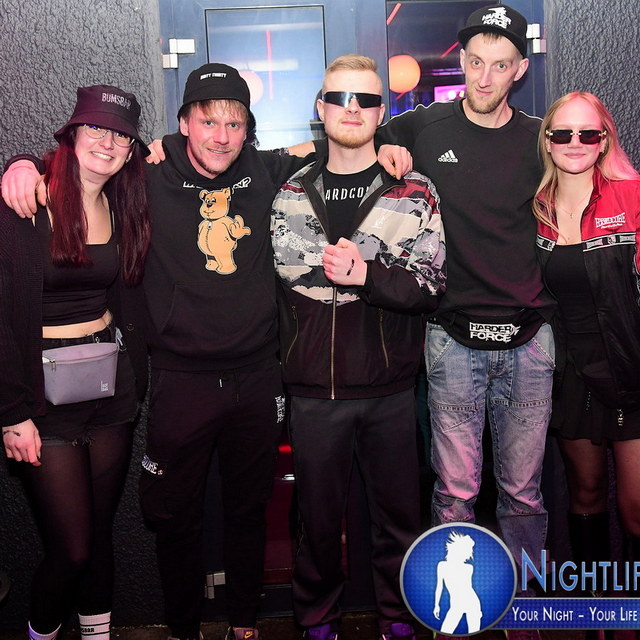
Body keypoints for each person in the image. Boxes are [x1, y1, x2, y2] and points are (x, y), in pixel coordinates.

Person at [1, 65, 411, 640]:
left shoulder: (268, 170)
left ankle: (244, 622)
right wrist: (23, 163)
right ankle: (184, 628)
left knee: (249, 510)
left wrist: (387, 142)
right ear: (183, 124)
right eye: (208, 121)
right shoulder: (143, 172)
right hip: (179, 378)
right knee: (174, 517)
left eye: (234, 124)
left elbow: (336, 144)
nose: (221, 136)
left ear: (248, 130)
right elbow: (83, 163)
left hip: (257, 375)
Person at [375, 3, 556, 622]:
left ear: (519, 70)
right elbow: (347, 135)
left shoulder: (541, 139)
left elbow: (595, 171)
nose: (483, 77)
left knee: (524, 495)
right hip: (452, 338)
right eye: (475, 62)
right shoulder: (423, 126)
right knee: (454, 494)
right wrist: (171, 148)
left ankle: (524, 615)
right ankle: (453, 620)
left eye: (499, 65)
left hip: (529, 338)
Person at [271, 54, 445, 640]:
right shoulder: (288, 189)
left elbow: (431, 286)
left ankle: (399, 617)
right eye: (341, 98)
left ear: (381, 111)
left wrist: (367, 276)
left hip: (390, 390)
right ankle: (316, 619)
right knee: (316, 523)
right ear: (320, 108)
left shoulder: (413, 190)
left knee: (399, 520)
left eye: (366, 100)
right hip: (313, 391)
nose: (353, 109)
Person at [0, 85, 151, 640]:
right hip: (41, 400)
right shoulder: (28, 199)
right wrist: (11, 413)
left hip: (110, 390)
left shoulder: (122, 201)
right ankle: (41, 633)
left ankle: (97, 633)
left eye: (120, 136)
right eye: (96, 129)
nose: (107, 143)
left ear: (131, 152)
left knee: (101, 533)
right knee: (73, 548)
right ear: (71, 135)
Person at [533, 93, 640, 595]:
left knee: (635, 510)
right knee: (586, 494)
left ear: (604, 142)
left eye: (588, 133)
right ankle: (597, 615)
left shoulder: (632, 196)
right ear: (548, 142)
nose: (574, 143)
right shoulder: (537, 208)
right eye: (562, 133)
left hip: (631, 369)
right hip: (572, 374)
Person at [433, 531, 481, 635]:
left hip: (472, 603)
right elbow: (439, 587)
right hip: (456, 605)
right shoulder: (442, 565)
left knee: (474, 633)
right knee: (445, 632)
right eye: (468, 550)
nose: (470, 553)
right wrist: (436, 605)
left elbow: (468, 588)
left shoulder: (469, 568)